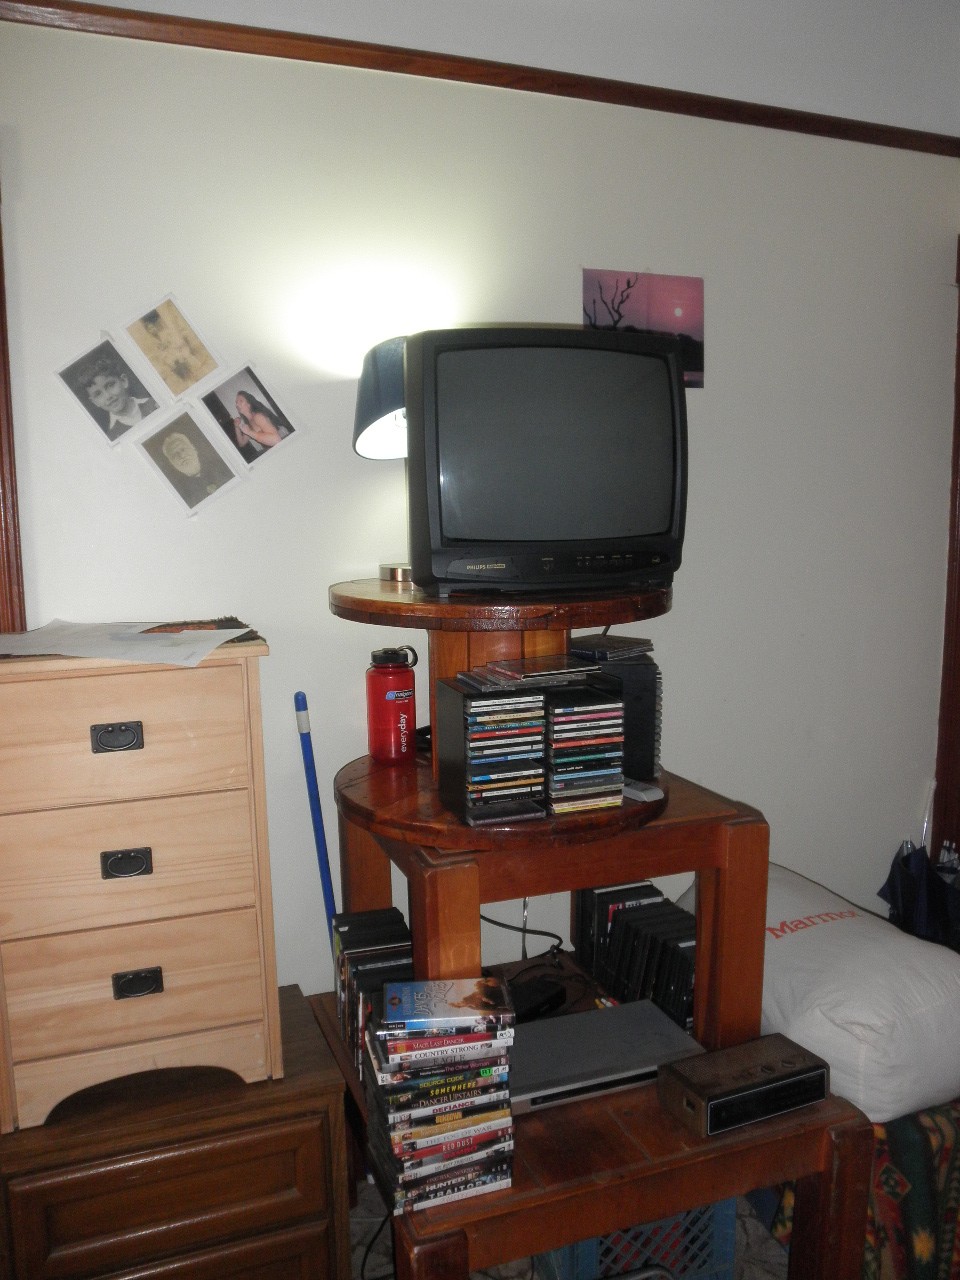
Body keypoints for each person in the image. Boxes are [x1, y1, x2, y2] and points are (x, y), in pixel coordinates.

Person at [74, 349, 157, 439]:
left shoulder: (155, 404)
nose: (108, 396)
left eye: (110, 385)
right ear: (94, 402)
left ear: (123, 381)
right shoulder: (113, 437)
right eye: (98, 394)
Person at [159, 427, 233, 509]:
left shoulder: (223, 466)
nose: (182, 455)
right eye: (175, 455)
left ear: (194, 448)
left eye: (183, 449)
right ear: (172, 464)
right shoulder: (180, 495)